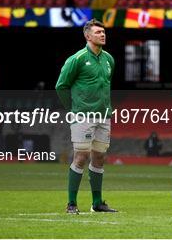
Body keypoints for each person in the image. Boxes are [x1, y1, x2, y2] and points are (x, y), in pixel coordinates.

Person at [56, 19, 117, 214]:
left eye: (103, 31)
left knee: (99, 157)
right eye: (98, 32)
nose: (102, 34)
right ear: (87, 36)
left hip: (104, 116)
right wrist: (74, 109)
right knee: (81, 157)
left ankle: (97, 203)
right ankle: (71, 204)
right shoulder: (77, 59)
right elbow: (61, 86)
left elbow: (105, 85)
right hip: (83, 116)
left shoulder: (109, 59)